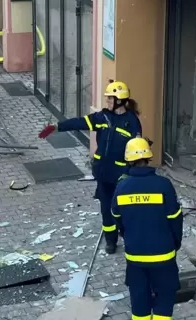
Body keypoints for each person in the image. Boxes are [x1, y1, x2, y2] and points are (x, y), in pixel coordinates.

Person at [39, 80, 142, 254]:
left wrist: (132, 172)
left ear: (121, 100)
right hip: (103, 174)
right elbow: (80, 122)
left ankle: (129, 237)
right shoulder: (102, 117)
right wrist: (57, 127)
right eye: (107, 99)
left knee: (125, 210)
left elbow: (138, 151)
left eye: (110, 99)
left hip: (121, 176)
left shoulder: (132, 122)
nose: (107, 102)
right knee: (106, 210)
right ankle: (111, 241)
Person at [111, 137, 183, 320]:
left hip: (135, 256)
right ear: (148, 158)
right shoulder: (163, 185)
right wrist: (175, 243)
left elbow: (116, 217)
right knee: (165, 293)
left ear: (129, 160)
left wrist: (128, 237)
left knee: (139, 293)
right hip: (163, 255)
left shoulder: (122, 187)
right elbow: (175, 218)